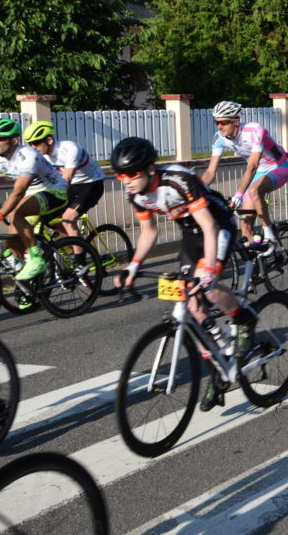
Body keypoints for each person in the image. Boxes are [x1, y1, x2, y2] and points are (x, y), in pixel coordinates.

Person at [111, 137, 255, 412]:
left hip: (217, 225)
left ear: (150, 169)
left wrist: (209, 270)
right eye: (120, 175)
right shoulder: (137, 194)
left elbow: (209, 227)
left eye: (131, 174)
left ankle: (244, 318)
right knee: (192, 306)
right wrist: (133, 266)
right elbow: (149, 231)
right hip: (190, 235)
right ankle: (218, 368)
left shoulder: (178, 180)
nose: (126, 181)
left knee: (207, 285)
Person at [202, 101, 288, 252]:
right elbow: (210, 171)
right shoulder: (219, 138)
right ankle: (254, 263)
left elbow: (252, 167)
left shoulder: (254, 131)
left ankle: (270, 235)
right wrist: (197, 190)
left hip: (278, 167)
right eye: (217, 122)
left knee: (254, 190)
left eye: (224, 122)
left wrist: (238, 194)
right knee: (246, 223)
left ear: (236, 121)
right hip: (259, 172)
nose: (219, 126)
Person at [0, 119, 69, 287]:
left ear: (15, 140)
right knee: (11, 247)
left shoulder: (28, 156)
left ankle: (36, 260)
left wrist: (0, 214)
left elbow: (19, 191)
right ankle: (29, 289)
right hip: (32, 197)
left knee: (16, 212)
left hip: (55, 192)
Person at [21, 121, 106, 242]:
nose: (33, 147)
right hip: (72, 187)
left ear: (49, 140)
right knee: (48, 217)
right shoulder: (42, 156)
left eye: (36, 142)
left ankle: (80, 254)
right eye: (30, 144)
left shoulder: (70, 149)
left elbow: (67, 178)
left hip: (91, 184)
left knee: (68, 218)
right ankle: (71, 245)